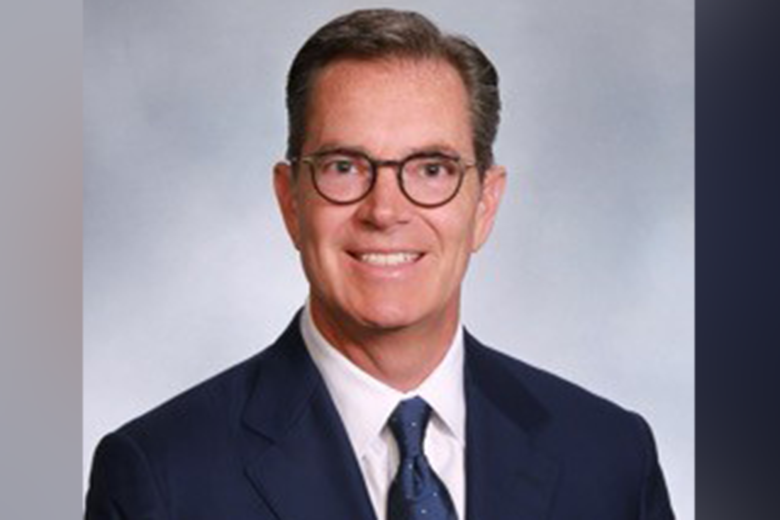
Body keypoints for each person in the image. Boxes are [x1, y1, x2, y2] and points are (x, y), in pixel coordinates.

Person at [86, 8, 675, 520]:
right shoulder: (161, 478)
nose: (385, 211)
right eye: (344, 167)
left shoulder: (610, 458)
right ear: (291, 201)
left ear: (485, 205)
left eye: (432, 169)